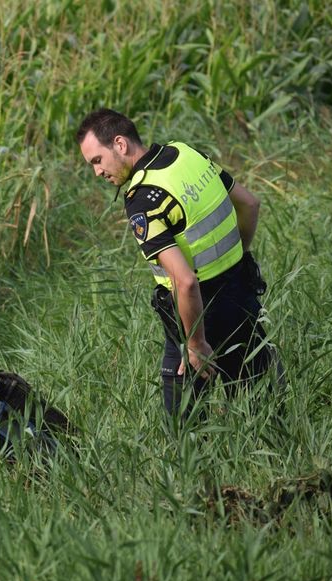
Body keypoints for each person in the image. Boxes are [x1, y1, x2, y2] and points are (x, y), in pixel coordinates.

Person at [76, 108, 281, 417]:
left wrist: (196, 344)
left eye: (97, 160)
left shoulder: (144, 198)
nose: (97, 172)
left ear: (119, 144)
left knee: (184, 426)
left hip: (199, 314)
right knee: (265, 408)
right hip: (241, 292)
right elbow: (250, 203)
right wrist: (236, 259)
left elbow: (185, 281)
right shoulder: (184, 153)